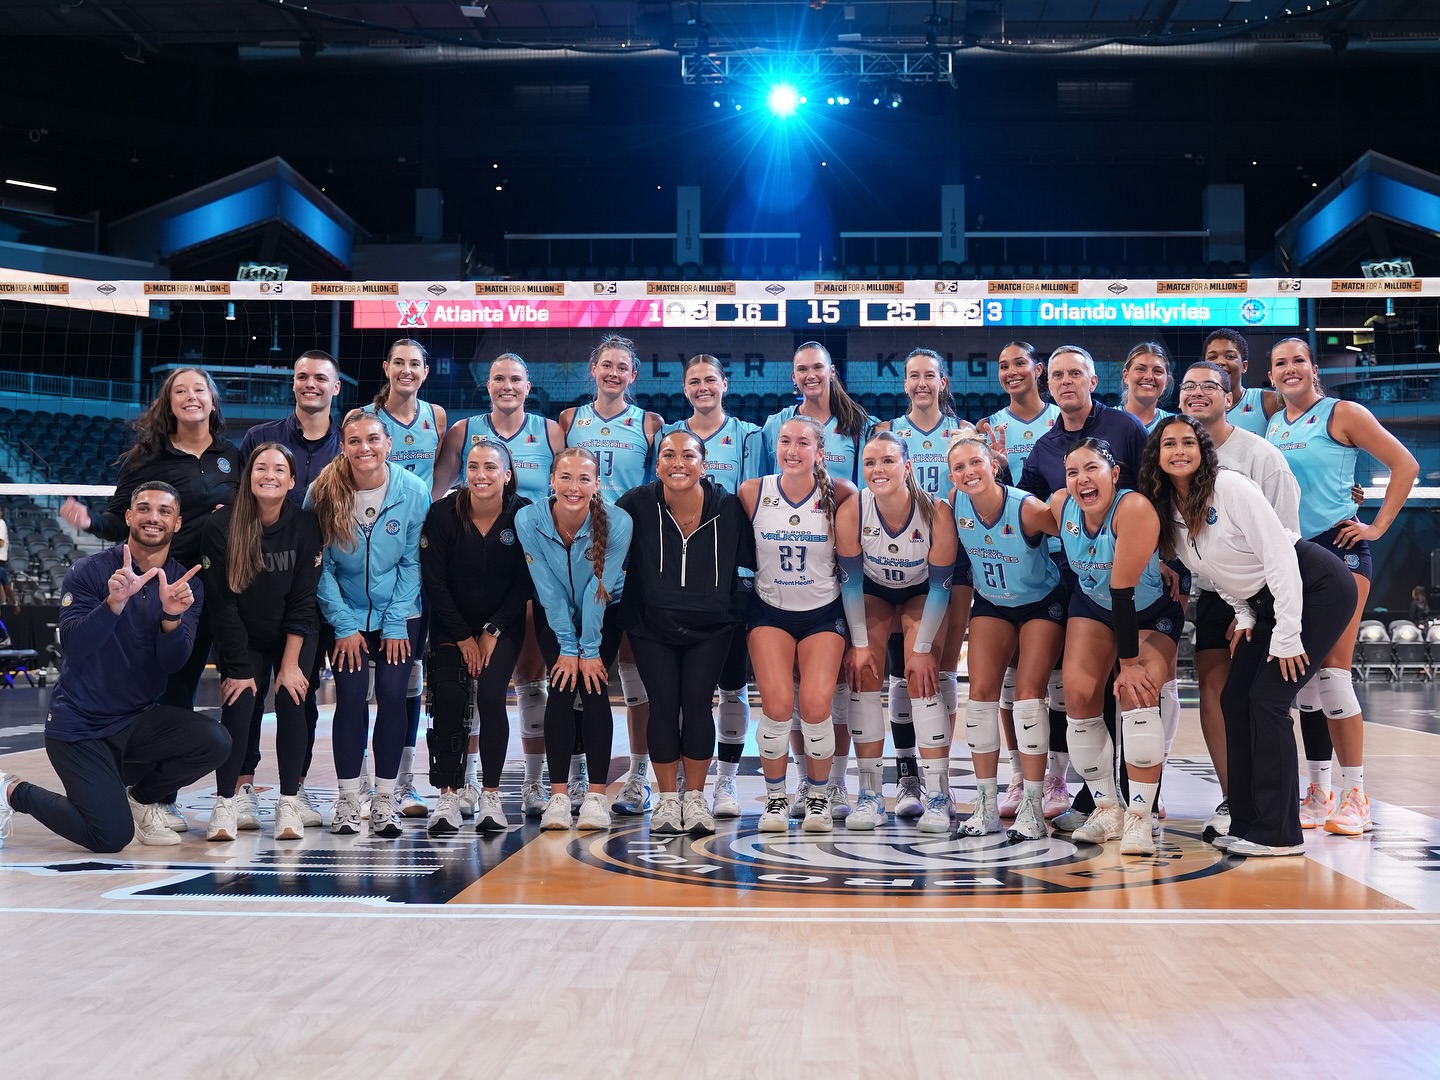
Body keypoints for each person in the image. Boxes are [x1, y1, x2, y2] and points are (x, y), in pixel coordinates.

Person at [1141, 415, 1358, 855]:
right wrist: (1244, 614)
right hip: (1263, 603)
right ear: (1157, 456)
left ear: (1203, 451)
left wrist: (1288, 634)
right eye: (1170, 444)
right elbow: (1216, 571)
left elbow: (1278, 556)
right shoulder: (1168, 511)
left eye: (1189, 443)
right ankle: (1244, 820)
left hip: (1314, 586)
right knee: (1235, 699)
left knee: (1267, 701)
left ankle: (1279, 833)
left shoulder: (1230, 487)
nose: (1180, 451)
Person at [0, 482, 227, 852]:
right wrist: (113, 604)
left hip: (136, 721)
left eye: (164, 511)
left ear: (177, 523)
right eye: (144, 508)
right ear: (129, 516)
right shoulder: (90, 571)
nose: (153, 517)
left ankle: (142, 799)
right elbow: (75, 645)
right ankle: (11, 791)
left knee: (215, 742)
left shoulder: (185, 585)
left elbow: (173, 663)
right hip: (79, 728)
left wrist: (171, 617)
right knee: (110, 836)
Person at [1266, 337, 1418, 836]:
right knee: (1305, 676)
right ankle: (1318, 791)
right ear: (1271, 375)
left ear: (1314, 369)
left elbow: (1406, 465)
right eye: (1280, 363)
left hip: (1340, 547)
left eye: (1298, 360)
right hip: (1293, 554)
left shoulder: (1342, 413)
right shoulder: (1273, 423)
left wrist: (1376, 525)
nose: (1290, 369)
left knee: (1333, 670)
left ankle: (1356, 796)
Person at [1017, 346, 1149, 828]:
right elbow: (1028, 510)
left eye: (1076, 373)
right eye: (1057, 375)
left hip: (1140, 579)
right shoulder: (1045, 447)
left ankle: (1142, 799)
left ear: (1094, 381)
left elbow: (1155, 493)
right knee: (1084, 692)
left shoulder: (1125, 428)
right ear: (1047, 384)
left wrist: (1171, 560)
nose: (1066, 381)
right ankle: (1100, 801)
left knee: (1136, 690)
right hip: (1082, 580)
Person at [60, 367, 240, 709]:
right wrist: (89, 521)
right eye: (180, 391)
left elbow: (247, 514)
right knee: (168, 685)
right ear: (168, 404)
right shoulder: (147, 457)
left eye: (199, 389)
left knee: (229, 683)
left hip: (222, 584)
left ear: (213, 401)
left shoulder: (231, 455)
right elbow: (120, 518)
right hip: (170, 585)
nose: (190, 397)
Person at [1177, 359, 1302, 841]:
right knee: (1218, 691)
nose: (1197, 392)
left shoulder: (1260, 455)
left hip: (1268, 589)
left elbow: (1285, 537)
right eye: (1189, 386)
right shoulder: (1171, 452)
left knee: (1264, 698)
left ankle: (1275, 803)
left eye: (1209, 386)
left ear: (1231, 398)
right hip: (1215, 590)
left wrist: (1254, 606)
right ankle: (1234, 799)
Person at [435, 352, 563, 818]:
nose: (506, 385)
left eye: (515, 379)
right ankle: (467, 783)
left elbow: (564, 492)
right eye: (498, 378)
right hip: (475, 573)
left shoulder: (550, 431)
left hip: (529, 572)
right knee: (467, 690)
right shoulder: (461, 431)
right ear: (486, 385)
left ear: (529, 386)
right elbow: (438, 493)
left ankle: (533, 783)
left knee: (528, 680)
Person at [1048, 438, 1184, 855]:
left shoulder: (1134, 508)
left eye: (1092, 468)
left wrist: (1129, 664)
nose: (1082, 479)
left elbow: (1123, 591)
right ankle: (1107, 808)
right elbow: (1016, 521)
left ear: (1115, 474)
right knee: (1077, 695)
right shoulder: (1060, 505)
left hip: (1146, 610)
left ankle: (1141, 815)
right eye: (1072, 472)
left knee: (1136, 694)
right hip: (1093, 605)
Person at [758, 342, 876, 815]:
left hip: (836, 569)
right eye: (801, 369)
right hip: (783, 573)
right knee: (784, 696)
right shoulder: (777, 425)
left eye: (817, 368)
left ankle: (834, 784)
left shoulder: (860, 425)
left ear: (832, 372)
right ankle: (798, 785)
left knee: (829, 694)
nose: (810, 375)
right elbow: (765, 490)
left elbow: (867, 493)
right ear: (793, 376)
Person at [618, 430, 754, 835]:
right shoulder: (635, 504)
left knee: (696, 704)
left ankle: (694, 798)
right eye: (668, 455)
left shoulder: (728, 507)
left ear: (704, 464)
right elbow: (611, 557)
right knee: (662, 704)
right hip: (651, 625)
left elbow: (748, 566)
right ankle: (666, 799)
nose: (678, 463)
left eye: (688, 455)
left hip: (711, 626)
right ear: (657, 464)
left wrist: (734, 614)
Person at [232, 349, 344, 831]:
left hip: (317, 587)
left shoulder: (349, 442)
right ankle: (241, 789)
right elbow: (236, 503)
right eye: (302, 376)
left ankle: (292, 793)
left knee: (299, 693)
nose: (310, 383)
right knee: (246, 696)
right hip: (256, 584)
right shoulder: (260, 439)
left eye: (320, 377)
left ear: (335, 387)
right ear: (293, 383)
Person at [305, 409, 429, 838]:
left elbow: (413, 563)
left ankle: (385, 800)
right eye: (355, 441)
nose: (365, 448)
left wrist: (395, 623)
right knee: (351, 696)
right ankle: (347, 799)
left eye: (373, 439)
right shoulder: (322, 493)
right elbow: (320, 567)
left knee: (393, 695)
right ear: (343, 446)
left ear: (388, 444)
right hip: (346, 612)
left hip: (400, 611)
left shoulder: (413, 490)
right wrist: (343, 625)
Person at [738, 415, 858, 833]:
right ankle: (775, 798)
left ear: (820, 452)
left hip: (822, 611)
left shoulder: (842, 493)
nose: (792, 450)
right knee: (775, 707)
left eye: (803, 443)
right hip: (770, 610)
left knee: (816, 706)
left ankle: (819, 798)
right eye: (785, 441)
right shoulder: (753, 492)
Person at [560, 335, 664, 815]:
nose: (614, 373)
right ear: (593, 368)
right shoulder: (569, 420)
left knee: (633, 670)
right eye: (607, 365)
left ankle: (639, 776)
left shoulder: (649, 423)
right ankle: (578, 774)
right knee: (580, 669)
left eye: (623, 367)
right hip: (577, 555)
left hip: (629, 555)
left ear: (633, 375)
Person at [836, 431, 956, 833]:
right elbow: (851, 583)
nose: (878, 469)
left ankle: (937, 794)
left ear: (907, 466)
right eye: (870, 462)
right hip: (873, 591)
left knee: (922, 677)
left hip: (923, 591)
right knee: (864, 673)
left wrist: (921, 649)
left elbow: (940, 586)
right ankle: (870, 795)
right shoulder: (854, 510)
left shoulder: (935, 512)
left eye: (888, 461)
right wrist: (859, 644)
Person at [201, 444, 323, 841]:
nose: (269, 475)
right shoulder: (221, 526)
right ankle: (226, 801)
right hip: (242, 632)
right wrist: (238, 668)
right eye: (260, 468)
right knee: (239, 704)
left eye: (278, 469)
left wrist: (290, 665)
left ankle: (289, 800)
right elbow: (222, 604)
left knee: (292, 698)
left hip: (293, 631)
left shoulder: (305, 525)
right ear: (248, 476)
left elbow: (304, 600)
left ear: (292, 481)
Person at [948, 433, 1066, 842]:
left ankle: (1033, 805)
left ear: (993, 465)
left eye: (975, 463)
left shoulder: (1027, 508)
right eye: (959, 467)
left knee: (1029, 697)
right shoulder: (956, 502)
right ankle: (985, 805)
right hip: (993, 602)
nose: (968, 472)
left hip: (1040, 603)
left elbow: (1074, 531)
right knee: (980, 698)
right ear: (952, 476)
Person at [660, 355, 762, 819]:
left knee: (732, 683)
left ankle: (726, 781)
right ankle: (682, 778)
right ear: (684, 389)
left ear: (725, 383)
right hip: (678, 573)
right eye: (693, 381)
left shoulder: (750, 435)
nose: (702, 387)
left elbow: (757, 499)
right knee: (683, 689)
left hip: (730, 575)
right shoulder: (669, 435)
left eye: (710, 380)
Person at [517, 447, 633, 832]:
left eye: (584, 479)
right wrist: (568, 647)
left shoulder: (618, 522)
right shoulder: (528, 519)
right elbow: (547, 588)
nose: (574, 486)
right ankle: (559, 797)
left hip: (605, 611)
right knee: (562, 687)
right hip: (554, 614)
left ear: (597, 484)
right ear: (551, 480)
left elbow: (598, 588)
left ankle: (597, 797)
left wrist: (589, 648)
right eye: (565, 477)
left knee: (594, 688)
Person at [420, 440, 533, 835]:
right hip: (450, 623)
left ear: (507, 474)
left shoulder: (523, 515)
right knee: (450, 696)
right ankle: (448, 795)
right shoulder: (442, 513)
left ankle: (491, 796)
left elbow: (524, 582)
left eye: (490, 467)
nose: (480, 475)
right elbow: (434, 581)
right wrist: (462, 636)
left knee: (489, 696)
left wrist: (492, 629)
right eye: (473, 466)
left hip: (502, 624)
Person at [876, 348, 971, 809]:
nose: (921, 384)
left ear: (942, 381)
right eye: (913, 376)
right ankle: (907, 775)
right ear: (904, 383)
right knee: (902, 669)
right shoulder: (888, 432)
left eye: (929, 375)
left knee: (943, 669)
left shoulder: (963, 432)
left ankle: (940, 781)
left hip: (957, 557)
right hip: (903, 561)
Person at [979, 341, 1062, 821]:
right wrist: (1001, 466)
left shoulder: (1062, 418)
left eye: (1019, 363)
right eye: (1003, 364)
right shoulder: (989, 427)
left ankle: (1057, 776)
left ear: (1039, 369)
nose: (1011, 371)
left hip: (1064, 556)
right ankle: (1018, 774)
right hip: (1014, 558)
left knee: (1058, 681)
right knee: (1012, 681)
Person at [364, 338, 447, 818]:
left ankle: (404, 783)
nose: (407, 371)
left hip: (417, 556)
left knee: (410, 673)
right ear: (386, 367)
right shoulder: (363, 417)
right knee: (364, 685)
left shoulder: (436, 417)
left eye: (415, 364)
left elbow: (439, 480)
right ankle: (362, 785)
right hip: (369, 558)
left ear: (425, 371)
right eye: (399, 362)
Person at [1202, 328, 1281, 436]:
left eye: (1230, 356)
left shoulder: (1267, 401)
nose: (1220, 362)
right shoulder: (1196, 407)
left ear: (1244, 366)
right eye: (1212, 357)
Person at [1120, 341, 1175, 434]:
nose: (1149, 377)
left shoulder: (1175, 424)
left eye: (1157, 371)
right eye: (1141, 369)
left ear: (1166, 381)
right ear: (1126, 376)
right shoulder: (1105, 419)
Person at [0, 504, 13, 608]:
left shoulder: (0, 524)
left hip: (0, 559)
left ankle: (4, 604)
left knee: (3, 583)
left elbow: (1, 542)